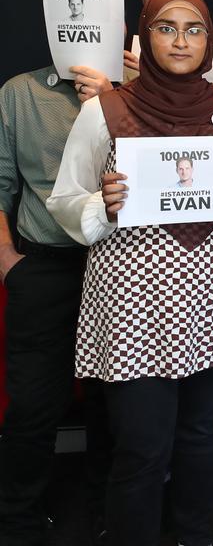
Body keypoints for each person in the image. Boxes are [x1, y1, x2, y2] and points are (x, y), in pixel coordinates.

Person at [46, 0, 213, 546]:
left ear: (209, 39)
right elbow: (65, 199)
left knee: (199, 437)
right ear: (144, 38)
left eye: (194, 29)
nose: (182, 40)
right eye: (167, 28)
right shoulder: (106, 110)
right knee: (142, 448)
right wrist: (105, 204)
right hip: (133, 304)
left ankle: (197, 537)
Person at [0, 55, 116, 545]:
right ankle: (17, 518)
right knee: (32, 403)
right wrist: (8, 260)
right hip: (43, 265)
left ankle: (106, 509)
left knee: (114, 402)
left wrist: (111, 104)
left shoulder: (134, 91)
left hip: (116, 264)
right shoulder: (21, 93)